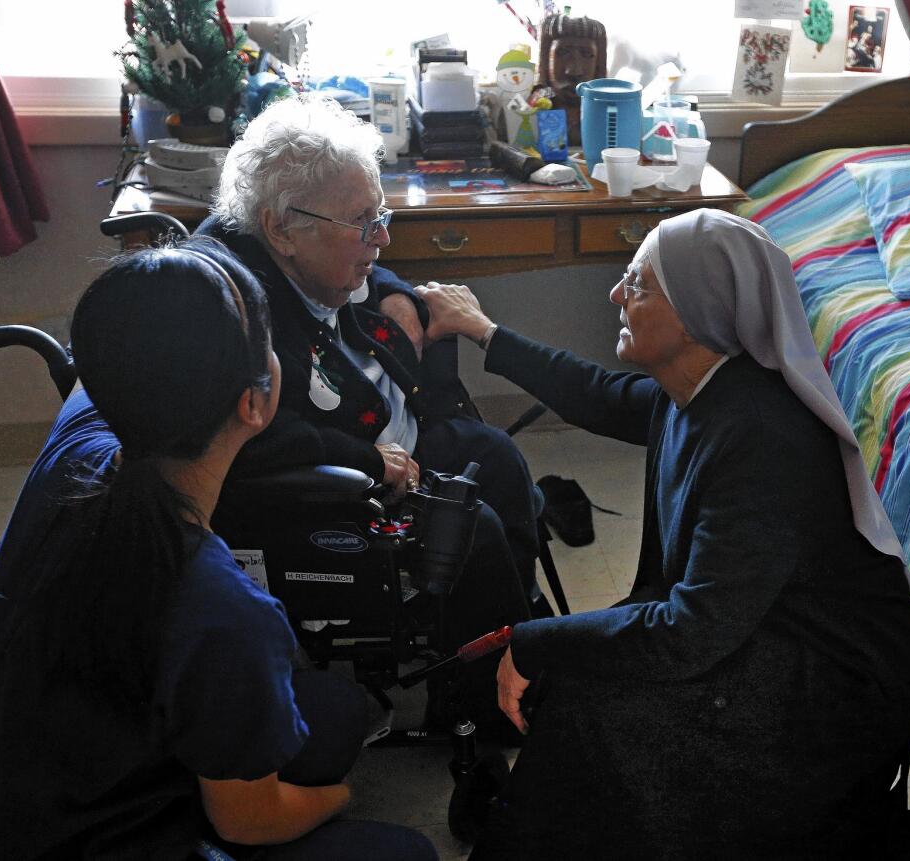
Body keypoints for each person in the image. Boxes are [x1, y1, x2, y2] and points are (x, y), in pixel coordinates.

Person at [417, 209, 910, 859]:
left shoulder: (762, 438)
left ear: (695, 309)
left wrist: (535, 639)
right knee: (582, 683)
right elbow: (596, 394)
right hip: (763, 630)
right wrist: (484, 332)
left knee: (591, 697)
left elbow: (689, 633)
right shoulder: (695, 390)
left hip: (831, 690)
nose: (615, 294)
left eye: (637, 284)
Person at [0, 240, 437, 860]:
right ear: (256, 403)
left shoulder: (84, 429)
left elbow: (153, 307)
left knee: (336, 709)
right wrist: (339, 798)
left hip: (1, 799)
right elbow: (248, 822)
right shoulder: (220, 609)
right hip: (97, 840)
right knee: (403, 852)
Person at [199, 95, 540, 731]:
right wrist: (364, 460)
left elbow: (369, 275)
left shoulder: (300, 249)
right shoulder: (233, 316)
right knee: (478, 529)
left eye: (379, 215)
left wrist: (398, 295)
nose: (382, 237)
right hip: (337, 490)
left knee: (494, 455)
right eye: (364, 223)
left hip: (393, 446)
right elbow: (251, 440)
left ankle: (516, 635)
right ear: (279, 229)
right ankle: (480, 707)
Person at [535, 11, 607, 145]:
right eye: (563, 53)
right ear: (546, 60)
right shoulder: (535, 109)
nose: (574, 71)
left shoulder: (606, 115)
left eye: (586, 54)